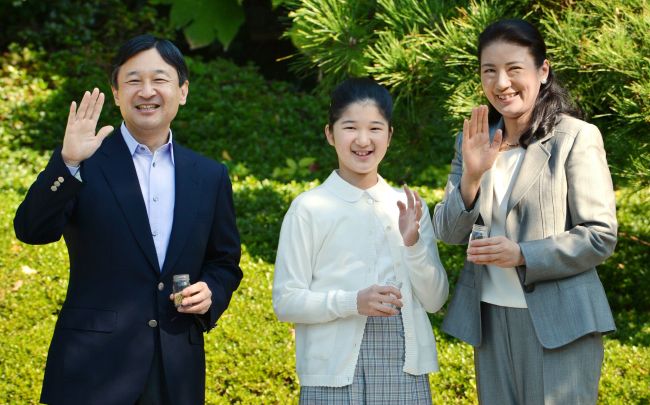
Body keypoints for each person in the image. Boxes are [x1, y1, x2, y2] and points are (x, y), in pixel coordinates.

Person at [13, 34, 242, 405]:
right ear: (116, 93)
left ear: (182, 90)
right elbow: (31, 230)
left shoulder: (209, 175)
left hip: (175, 370)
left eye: (160, 79)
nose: (147, 91)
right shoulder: (86, 162)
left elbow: (224, 261)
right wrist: (67, 163)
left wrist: (211, 291)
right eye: (134, 80)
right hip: (91, 370)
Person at [433, 19, 617, 404]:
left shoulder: (575, 137)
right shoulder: (472, 141)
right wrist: (471, 175)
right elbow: (448, 232)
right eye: (490, 71)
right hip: (490, 317)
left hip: (560, 322)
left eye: (514, 69)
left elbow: (599, 235)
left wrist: (522, 255)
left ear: (542, 71)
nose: (502, 83)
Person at [273, 77, 449, 404]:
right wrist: (354, 301)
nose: (363, 140)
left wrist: (412, 246)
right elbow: (286, 301)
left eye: (376, 128)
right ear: (330, 133)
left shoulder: (410, 206)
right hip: (333, 374)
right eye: (350, 127)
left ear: (390, 135)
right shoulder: (308, 208)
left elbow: (436, 299)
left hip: (403, 367)